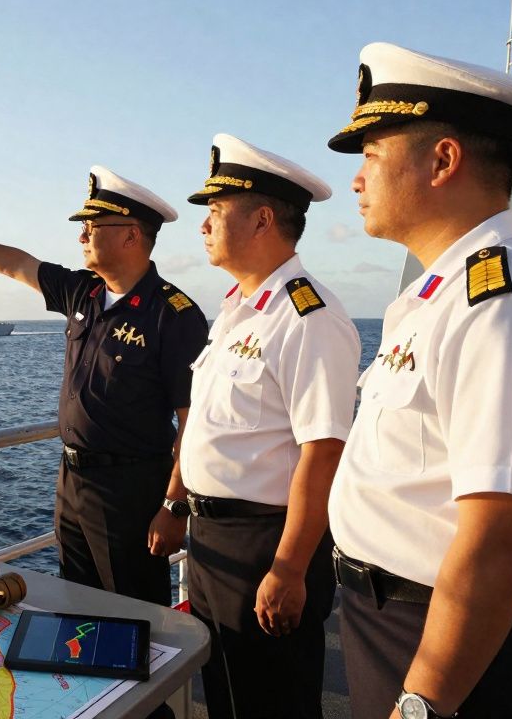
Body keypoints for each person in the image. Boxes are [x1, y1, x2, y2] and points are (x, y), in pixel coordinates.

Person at [324, 42, 512, 719]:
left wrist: (422, 703)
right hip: (400, 625)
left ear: (443, 160)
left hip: (460, 653)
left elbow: (501, 543)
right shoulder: (438, 296)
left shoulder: (506, 310)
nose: (357, 181)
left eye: (370, 155)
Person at [0, 166, 208, 607]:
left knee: (133, 614)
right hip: (71, 481)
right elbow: (16, 264)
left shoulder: (173, 314)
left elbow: (193, 422)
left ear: (131, 235)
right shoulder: (82, 292)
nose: (82, 236)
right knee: (78, 602)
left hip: (130, 489)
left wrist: (173, 506)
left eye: (92, 227)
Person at [157, 134, 360, 718]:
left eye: (216, 212)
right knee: (229, 695)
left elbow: (323, 453)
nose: (203, 226)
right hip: (215, 538)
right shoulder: (237, 310)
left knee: (273, 701)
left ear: (263, 219)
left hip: (266, 545)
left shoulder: (307, 318)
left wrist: (289, 568)